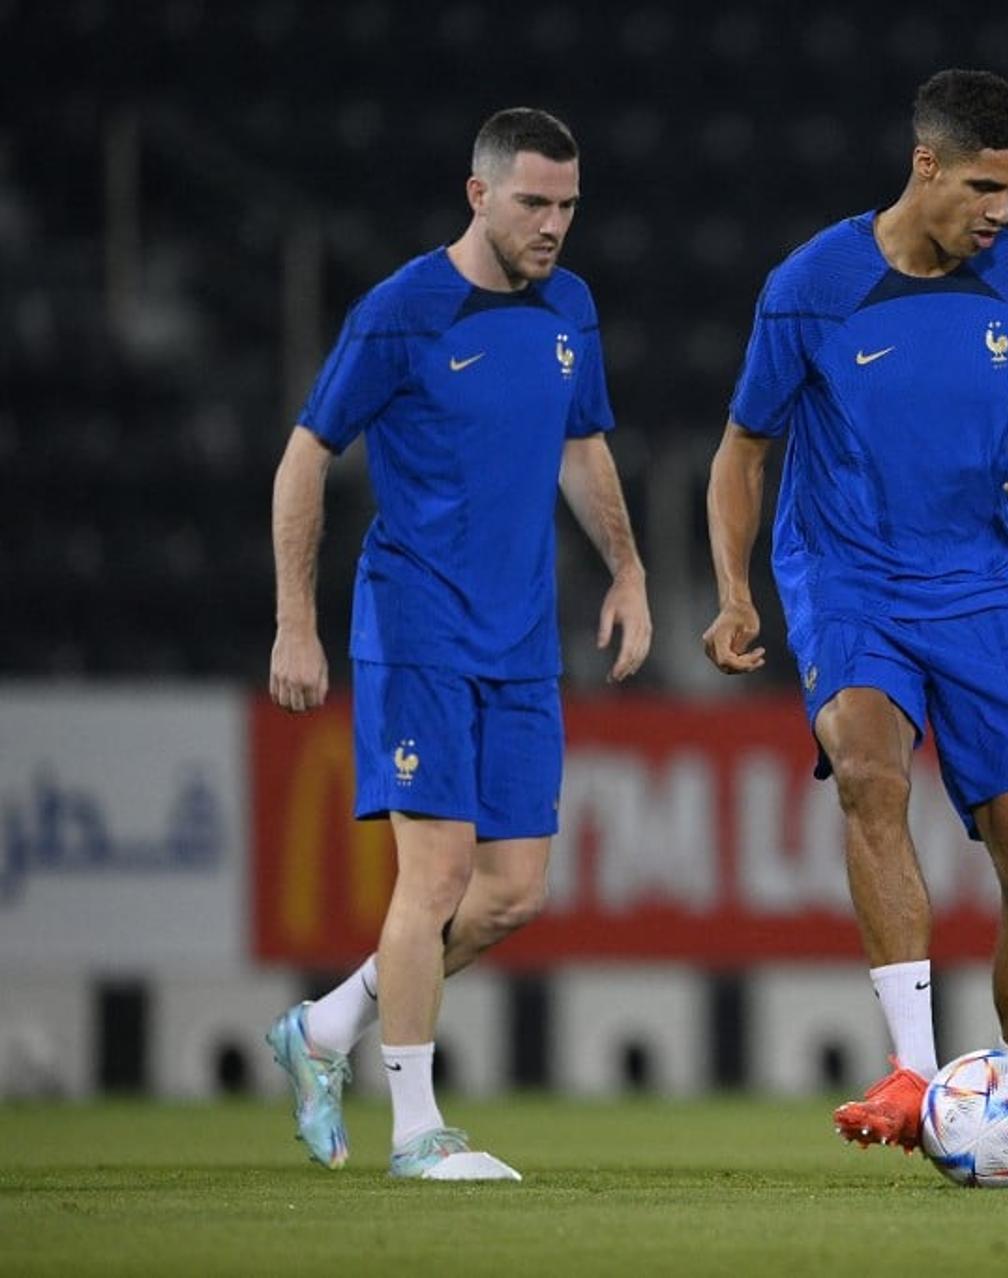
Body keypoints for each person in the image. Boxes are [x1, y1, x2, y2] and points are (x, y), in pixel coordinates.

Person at [702, 69, 1008, 1187]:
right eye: (986, 186)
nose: (1002, 212)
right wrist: (737, 593)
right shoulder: (814, 284)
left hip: (979, 590)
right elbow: (743, 449)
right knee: (870, 772)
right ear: (925, 165)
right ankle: (915, 1074)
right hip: (848, 580)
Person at [264, 107, 651, 1181]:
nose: (554, 226)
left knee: (515, 891)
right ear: (477, 194)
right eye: (534, 202)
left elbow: (584, 448)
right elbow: (305, 458)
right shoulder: (403, 313)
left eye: (568, 206)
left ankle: (328, 1026)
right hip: (419, 623)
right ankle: (418, 1130)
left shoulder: (570, 307)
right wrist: (298, 624)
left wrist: (627, 571)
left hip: (522, 638)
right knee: (431, 880)